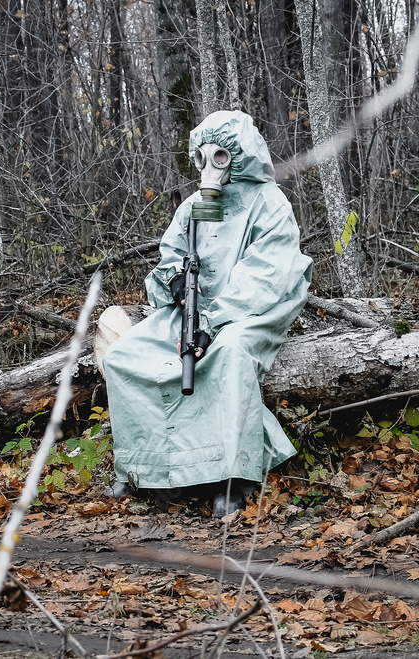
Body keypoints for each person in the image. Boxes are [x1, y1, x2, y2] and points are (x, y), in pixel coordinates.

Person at [101, 111, 313, 517]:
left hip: (253, 311)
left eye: (221, 156)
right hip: (193, 309)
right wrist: (174, 283)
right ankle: (146, 470)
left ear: (240, 155)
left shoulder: (269, 203)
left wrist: (213, 324)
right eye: (203, 157)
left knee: (230, 354)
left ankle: (233, 476)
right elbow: (172, 255)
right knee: (122, 357)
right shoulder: (193, 207)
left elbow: (266, 275)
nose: (210, 167)